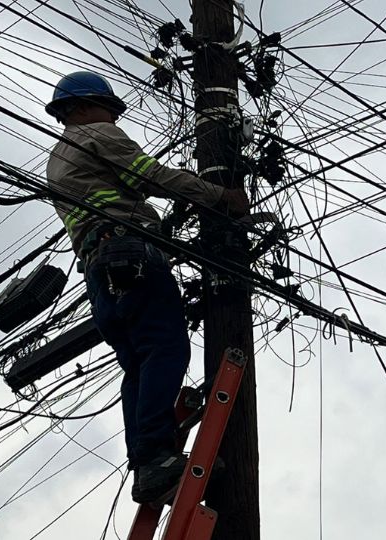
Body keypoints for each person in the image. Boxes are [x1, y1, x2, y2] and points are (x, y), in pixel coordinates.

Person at [44, 71, 249, 503]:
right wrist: (219, 196)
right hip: (128, 254)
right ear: (80, 108)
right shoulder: (97, 134)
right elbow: (150, 177)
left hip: (100, 276)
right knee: (166, 349)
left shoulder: (57, 159)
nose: (114, 118)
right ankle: (156, 454)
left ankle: (147, 464)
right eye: (108, 108)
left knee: (139, 366)